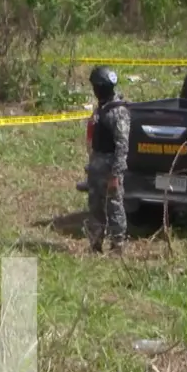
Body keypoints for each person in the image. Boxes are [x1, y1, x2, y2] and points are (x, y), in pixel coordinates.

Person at [85, 65, 130, 253]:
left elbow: (122, 145)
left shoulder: (118, 112)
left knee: (114, 206)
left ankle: (117, 244)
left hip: (110, 167)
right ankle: (95, 243)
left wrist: (116, 174)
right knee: (95, 205)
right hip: (96, 166)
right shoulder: (102, 108)